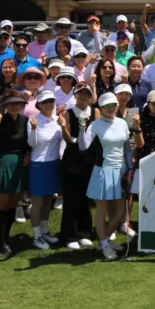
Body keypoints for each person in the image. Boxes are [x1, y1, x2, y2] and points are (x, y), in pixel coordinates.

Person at [81, 92, 133, 260]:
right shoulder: (95, 125)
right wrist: (82, 128)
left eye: (113, 105)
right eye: (107, 106)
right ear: (101, 108)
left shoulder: (122, 123)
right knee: (101, 210)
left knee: (119, 213)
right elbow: (83, 146)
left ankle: (104, 240)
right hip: (103, 170)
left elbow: (126, 148)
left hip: (121, 171)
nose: (111, 109)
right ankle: (104, 244)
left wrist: (130, 168)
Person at [0, 95, 32, 255]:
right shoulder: (0, 120)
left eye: (18, 104)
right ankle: (0, 241)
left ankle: (6, 237)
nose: (15, 107)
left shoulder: (24, 120)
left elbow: (28, 141)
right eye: (11, 104)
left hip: (20, 162)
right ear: (6, 106)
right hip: (5, 160)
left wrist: (27, 152)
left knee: (13, 203)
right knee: (2, 204)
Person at [27, 89, 68, 249]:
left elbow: (63, 140)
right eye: (45, 102)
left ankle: (44, 232)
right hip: (38, 165)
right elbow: (32, 143)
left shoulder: (59, 120)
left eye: (51, 101)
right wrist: (34, 129)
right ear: (39, 105)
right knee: (38, 202)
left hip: (53, 164)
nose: (49, 104)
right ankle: (36, 236)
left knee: (48, 201)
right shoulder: (33, 120)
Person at [61, 84, 97, 249]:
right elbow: (67, 137)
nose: (83, 97)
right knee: (71, 197)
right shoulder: (68, 113)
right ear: (75, 95)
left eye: (86, 94)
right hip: (72, 157)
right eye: (80, 94)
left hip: (89, 158)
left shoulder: (95, 112)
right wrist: (64, 128)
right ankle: (70, 235)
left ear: (91, 97)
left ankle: (85, 232)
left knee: (85, 196)